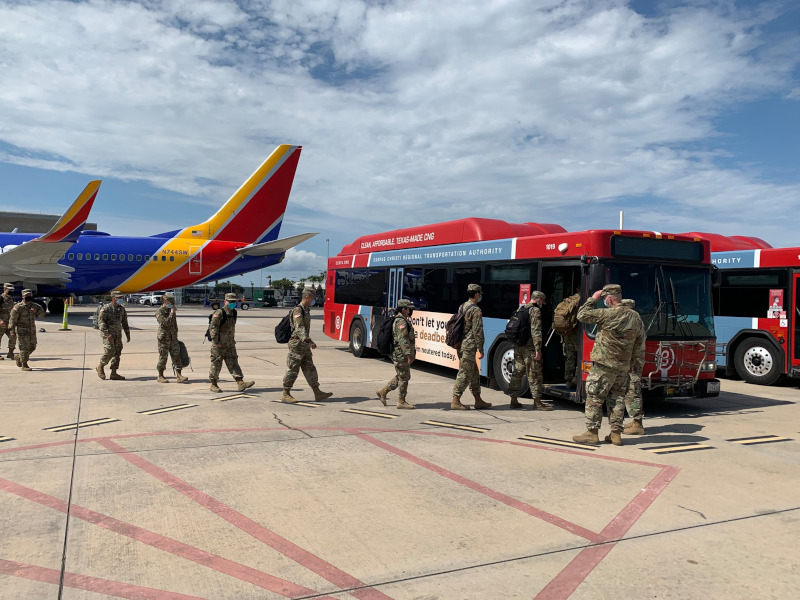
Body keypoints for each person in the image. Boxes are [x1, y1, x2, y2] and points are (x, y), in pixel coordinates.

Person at [572, 284, 645, 446]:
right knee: (617, 398)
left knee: (594, 397)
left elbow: (581, 315)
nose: (604, 301)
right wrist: (631, 364)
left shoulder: (606, 314)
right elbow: (639, 343)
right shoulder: (635, 317)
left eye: (605, 299)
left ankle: (592, 433)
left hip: (604, 365)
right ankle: (616, 434)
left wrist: (593, 298)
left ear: (610, 299)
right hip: (623, 367)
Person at [281, 289, 333, 403]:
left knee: (310, 368)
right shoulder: (298, 310)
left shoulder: (306, 310)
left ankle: (317, 392)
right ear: (308, 297)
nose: (313, 301)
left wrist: (308, 342)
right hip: (297, 345)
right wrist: (309, 341)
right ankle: (285, 393)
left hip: (304, 345)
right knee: (293, 369)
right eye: (313, 298)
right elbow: (299, 328)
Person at [508, 291, 554, 411]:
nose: (542, 304)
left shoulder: (521, 308)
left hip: (518, 346)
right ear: (538, 299)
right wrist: (538, 350)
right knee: (535, 374)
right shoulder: (535, 311)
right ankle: (537, 402)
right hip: (530, 348)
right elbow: (536, 332)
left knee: (517, 372)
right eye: (542, 301)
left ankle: (513, 399)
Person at [451, 283, 492, 411]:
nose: (480, 296)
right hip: (469, 346)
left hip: (461, 344)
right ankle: (455, 400)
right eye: (479, 294)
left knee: (474, 373)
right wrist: (481, 349)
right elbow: (478, 331)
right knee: (465, 373)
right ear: (476, 294)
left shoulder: (462, 306)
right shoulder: (475, 310)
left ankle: (478, 400)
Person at [208, 292, 254, 393]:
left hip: (230, 344)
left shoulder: (234, 313)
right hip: (219, 345)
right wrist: (216, 342)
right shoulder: (219, 313)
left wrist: (231, 341)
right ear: (225, 301)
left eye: (234, 302)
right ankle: (213, 384)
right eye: (231, 302)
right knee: (216, 364)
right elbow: (213, 328)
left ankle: (240, 382)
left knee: (233, 363)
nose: (233, 304)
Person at [376, 299, 416, 409]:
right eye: (409, 308)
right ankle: (401, 401)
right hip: (401, 354)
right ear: (404, 309)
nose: (410, 310)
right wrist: (408, 354)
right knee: (404, 377)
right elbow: (403, 339)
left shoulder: (402, 320)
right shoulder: (401, 322)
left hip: (399, 353)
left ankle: (383, 392)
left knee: (401, 376)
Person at [620, 299, 646, 435]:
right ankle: (635, 420)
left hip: (632, 362)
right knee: (630, 390)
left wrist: (629, 362)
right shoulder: (636, 319)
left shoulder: (631, 320)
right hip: (633, 360)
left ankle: (638, 424)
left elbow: (632, 344)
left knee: (633, 390)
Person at [96, 290, 130, 380]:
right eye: (119, 298)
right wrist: (107, 334)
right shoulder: (106, 309)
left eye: (121, 298)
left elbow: (125, 322)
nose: (120, 299)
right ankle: (100, 366)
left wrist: (128, 334)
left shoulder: (121, 309)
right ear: (113, 298)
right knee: (110, 351)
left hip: (118, 334)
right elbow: (101, 322)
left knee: (117, 353)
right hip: (108, 335)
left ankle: (114, 373)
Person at [8, 289, 45, 371]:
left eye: (29, 295)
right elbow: (12, 320)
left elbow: (42, 315)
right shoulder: (18, 307)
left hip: (32, 331)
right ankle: (24, 365)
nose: (28, 297)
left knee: (32, 347)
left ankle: (19, 357)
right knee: (24, 348)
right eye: (26, 295)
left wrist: (36, 312)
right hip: (22, 331)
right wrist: (12, 331)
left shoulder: (35, 306)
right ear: (22, 296)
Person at [155, 292, 188, 383]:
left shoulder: (171, 311)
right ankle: (160, 376)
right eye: (170, 302)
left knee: (177, 356)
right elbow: (165, 323)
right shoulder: (159, 311)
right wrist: (172, 313)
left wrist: (176, 335)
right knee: (163, 357)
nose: (171, 304)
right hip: (164, 338)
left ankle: (179, 375)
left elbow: (174, 324)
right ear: (164, 301)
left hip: (173, 338)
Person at [555, 288, 581, 389]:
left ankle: (568, 380)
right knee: (580, 357)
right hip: (576, 333)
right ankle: (576, 379)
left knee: (570, 357)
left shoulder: (568, 300)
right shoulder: (582, 300)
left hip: (566, 333)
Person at [0, 283, 17, 360]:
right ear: (4, 289)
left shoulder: (11, 299)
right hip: (2, 322)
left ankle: (10, 353)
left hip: (10, 323)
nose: (10, 291)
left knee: (13, 337)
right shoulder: (1, 298)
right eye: (9, 290)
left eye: (11, 290)